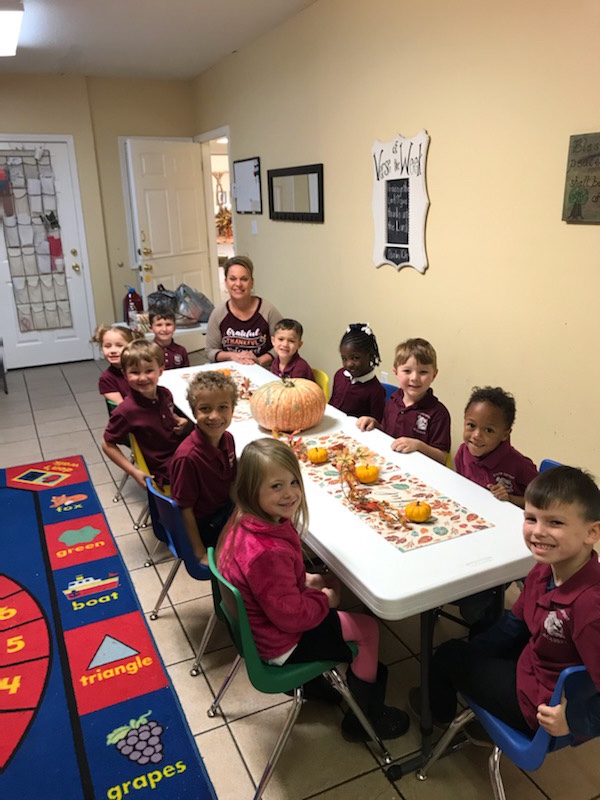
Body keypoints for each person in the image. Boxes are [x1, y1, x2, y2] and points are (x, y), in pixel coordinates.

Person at [217, 438, 410, 741]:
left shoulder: (245, 519)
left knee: (329, 598)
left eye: (293, 481)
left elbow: (269, 586)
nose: (290, 493)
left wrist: (305, 580)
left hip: (261, 627)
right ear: (251, 490)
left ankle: (317, 686)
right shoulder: (267, 552)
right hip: (280, 641)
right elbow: (290, 616)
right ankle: (363, 721)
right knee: (368, 629)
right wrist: (324, 601)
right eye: (276, 486)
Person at [412, 466, 600, 740]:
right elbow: (516, 622)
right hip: (534, 665)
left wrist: (575, 721)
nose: (538, 532)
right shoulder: (544, 568)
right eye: (531, 518)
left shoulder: (591, 607)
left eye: (555, 523)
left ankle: (437, 714)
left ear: (592, 532)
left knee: (448, 654)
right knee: (481, 632)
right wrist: (475, 652)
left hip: (537, 705)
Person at [102, 340, 190, 490]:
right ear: (125, 374)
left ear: (160, 371)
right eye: (135, 372)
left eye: (149, 371)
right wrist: (134, 471)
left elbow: (169, 419)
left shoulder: (165, 394)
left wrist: (183, 423)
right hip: (165, 467)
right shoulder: (126, 411)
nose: (142, 378)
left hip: (181, 451)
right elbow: (107, 444)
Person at [170, 372, 237, 563]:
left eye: (223, 407)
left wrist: (241, 513)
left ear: (232, 410)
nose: (214, 416)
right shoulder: (187, 458)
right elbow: (185, 509)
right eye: (205, 409)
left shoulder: (228, 439)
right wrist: (200, 553)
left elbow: (232, 483)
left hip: (225, 511)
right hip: (207, 525)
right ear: (194, 412)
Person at [356, 338, 450, 465]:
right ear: (396, 372)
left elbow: (442, 457)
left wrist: (418, 446)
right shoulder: (393, 399)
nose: (414, 378)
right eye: (407, 371)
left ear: (434, 375)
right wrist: (374, 424)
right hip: (389, 462)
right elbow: (387, 433)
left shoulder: (439, 413)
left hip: (418, 469)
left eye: (423, 372)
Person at [455, 386, 538, 508]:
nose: (476, 435)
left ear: (505, 435)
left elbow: (543, 501)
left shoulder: (520, 465)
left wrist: (510, 499)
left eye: (489, 430)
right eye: (471, 425)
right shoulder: (463, 452)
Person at [205, 255, 283, 367]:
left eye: (244, 279)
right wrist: (232, 356)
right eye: (233, 279)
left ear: (252, 283)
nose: (238, 284)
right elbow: (210, 351)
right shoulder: (218, 313)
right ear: (226, 282)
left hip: (263, 370)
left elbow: (282, 345)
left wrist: (258, 361)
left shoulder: (267, 311)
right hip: (230, 370)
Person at [329, 323, 386, 421]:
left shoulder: (376, 391)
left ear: (371, 356)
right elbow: (332, 404)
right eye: (344, 358)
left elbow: (376, 424)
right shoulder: (339, 375)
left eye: (355, 358)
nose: (349, 364)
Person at [92, 323, 140, 404]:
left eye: (119, 345)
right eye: (107, 346)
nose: (113, 350)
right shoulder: (106, 379)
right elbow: (122, 406)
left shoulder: (142, 370)